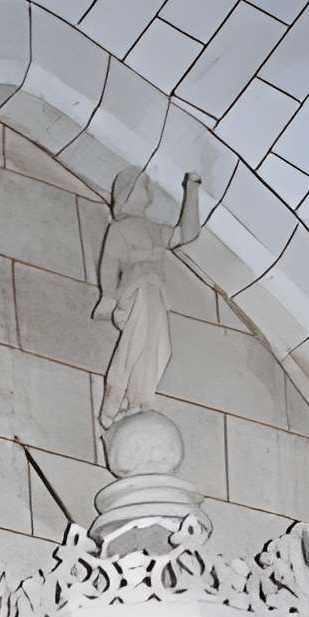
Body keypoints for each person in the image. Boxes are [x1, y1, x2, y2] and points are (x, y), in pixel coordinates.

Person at [95, 170, 201, 435]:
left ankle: (139, 400)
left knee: (160, 347)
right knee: (137, 340)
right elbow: (109, 264)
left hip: (157, 292)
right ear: (127, 194)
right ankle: (116, 398)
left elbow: (188, 233)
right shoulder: (119, 229)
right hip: (136, 289)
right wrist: (108, 295)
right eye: (141, 186)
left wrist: (192, 189)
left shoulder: (155, 230)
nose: (146, 190)